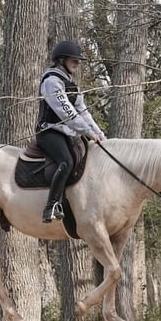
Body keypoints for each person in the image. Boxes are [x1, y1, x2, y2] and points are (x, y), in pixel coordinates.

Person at [36, 40, 107, 223]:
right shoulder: (51, 82)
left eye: (78, 59)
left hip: (68, 133)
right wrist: (87, 132)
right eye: (73, 59)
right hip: (49, 131)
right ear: (61, 60)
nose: (78, 62)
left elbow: (83, 112)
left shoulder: (71, 84)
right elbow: (67, 113)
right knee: (66, 161)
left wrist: (99, 134)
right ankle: (51, 206)